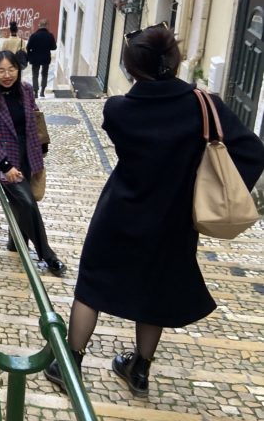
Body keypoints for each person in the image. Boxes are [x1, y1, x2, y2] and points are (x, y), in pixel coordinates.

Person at [45, 25, 264, 396]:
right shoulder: (203, 104)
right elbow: (253, 152)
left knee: (92, 285)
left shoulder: (118, 111)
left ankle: (69, 363)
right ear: (174, 63)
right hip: (174, 218)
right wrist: (204, 186)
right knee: (155, 291)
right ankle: (140, 371)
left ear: (132, 68)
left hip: (120, 212)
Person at [0, 51, 66, 276]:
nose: (7, 75)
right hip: (5, 158)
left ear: (18, 69)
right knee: (27, 203)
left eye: (11, 69)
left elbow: (33, 121)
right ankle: (48, 256)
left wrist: (40, 152)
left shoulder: (26, 90)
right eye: (1, 70)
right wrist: (5, 165)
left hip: (29, 154)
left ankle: (16, 240)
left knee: (25, 201)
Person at [26, 19, 56, 98]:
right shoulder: (50, 36)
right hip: (45, 58)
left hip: (35, 58)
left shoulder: (34, 35)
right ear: (47, 26)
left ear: (39, 25)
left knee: (35, 75)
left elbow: (28, 47)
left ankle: (35, 92)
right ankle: (42, 91)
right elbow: (54, 47)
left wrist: (29, 56)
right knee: (45, 74)